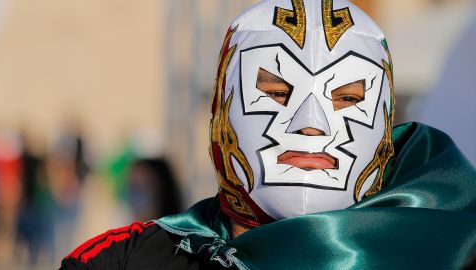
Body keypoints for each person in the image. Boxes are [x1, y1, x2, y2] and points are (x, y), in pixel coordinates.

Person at [60, 0, 476, 269]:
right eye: (277, 92)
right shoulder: (134, 260)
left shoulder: (450, 250)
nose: (310, 122)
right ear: (222, 110)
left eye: (347, 98)